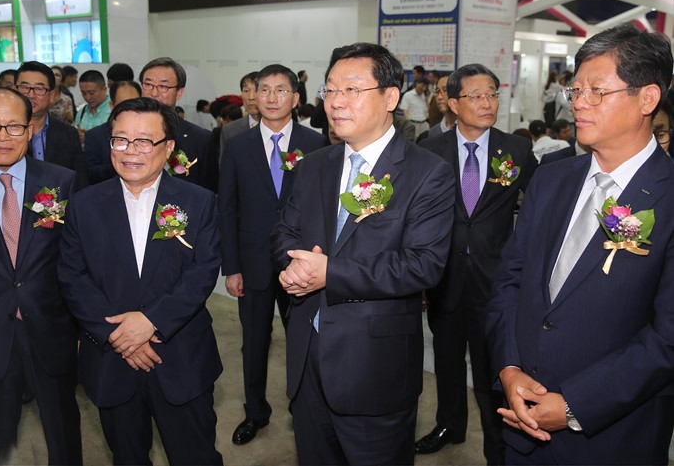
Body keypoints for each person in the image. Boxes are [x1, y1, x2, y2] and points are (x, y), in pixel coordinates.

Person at [486, 23, 674, 465]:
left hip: (612, 436)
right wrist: (509, 368)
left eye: (597, 91)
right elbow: (509, 281)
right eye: (576, 90)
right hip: (522, 423)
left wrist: (574, 404)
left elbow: (667, 338)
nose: (578, 103)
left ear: (647, 98)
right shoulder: (552, 179)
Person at [271, 43, 455, 465]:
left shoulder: (427, 172)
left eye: (352, 90)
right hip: (306, 359)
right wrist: (292, 265)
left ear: (390, 97)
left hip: (374, 369)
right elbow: (284, 231)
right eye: (330, 90)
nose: (335, 102)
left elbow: (422, 264)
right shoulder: (315, 165)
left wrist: (329, 273)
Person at [58, 97, 223, 465]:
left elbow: (203, 272)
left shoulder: (199, 202)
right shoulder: (84, 205)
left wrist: (151, 321)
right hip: (112, 359)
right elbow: (72, 276)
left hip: (180, 357)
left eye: (144, 141)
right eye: (120, 139)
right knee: (127, 456)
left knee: (195, 456)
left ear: (168, 147)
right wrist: (119, 335)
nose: (130, 151)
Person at [415, 63, 537, 465]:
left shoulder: (517, 150)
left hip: (496, 283)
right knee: (447, 361)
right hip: (444, 279)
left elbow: (539, 206)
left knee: (492, 372)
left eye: (492, 95)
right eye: (476, 96)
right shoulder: (430, 149)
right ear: (453, 104)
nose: (487, 103)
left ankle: (497, 446)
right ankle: (449, 425)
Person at [220, 63, 326, 446]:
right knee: (253, 341)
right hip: (252, 263)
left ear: (295, 98)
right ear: (253, 96)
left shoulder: (316, 144)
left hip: (300, 261)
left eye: (280, 90)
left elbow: (323, 207)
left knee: (303, 339)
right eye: (263, 89)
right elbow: (227, 208)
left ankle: (304, 408)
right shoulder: (237, 146)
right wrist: (231, 267)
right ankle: (255, 412)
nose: (270, 97)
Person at [0, 87, 82, 465]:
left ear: (30, 129)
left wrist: (82, 328)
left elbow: (77, 262)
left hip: (51, 329)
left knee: (63, 433)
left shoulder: (63, 182)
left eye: (14, 127)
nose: (3, 136)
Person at [139, 57, 214, 190]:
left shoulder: (201, 139)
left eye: (163, 86)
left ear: (179, 93)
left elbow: (209, 190)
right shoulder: (121, 135)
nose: (154, 93)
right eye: (148, 84)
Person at [15, 61, 88, 187]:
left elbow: (80, 181)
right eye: (25, 87)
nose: (31, 95)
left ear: (52, 95)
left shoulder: (69, 134)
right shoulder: (2, 133)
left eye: (39, 89)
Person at [84, 80, 142, 184]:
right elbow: (90, 172)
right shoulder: (94, 136)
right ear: (112, 105)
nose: (131, 110)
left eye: (136, 103)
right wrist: (120, 164)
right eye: (124, 105)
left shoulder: (152, 134)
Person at [220, 71, 261, 164]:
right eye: (246, 91)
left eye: (256, 90)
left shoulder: (280, 127)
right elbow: (225, 167)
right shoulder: (230, 130)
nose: (251, 97)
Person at [74, 70, 112, 141]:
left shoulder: (113, 110)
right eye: (83, 93)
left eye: (91, 93)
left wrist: (90, 138)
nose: (87, 97)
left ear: (104, 89)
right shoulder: (81, 112)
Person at [426, 73, 457, 138]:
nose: (439, 97)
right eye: (437, 91)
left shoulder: (470, 129)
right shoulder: (433, 132)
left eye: (445, 90)